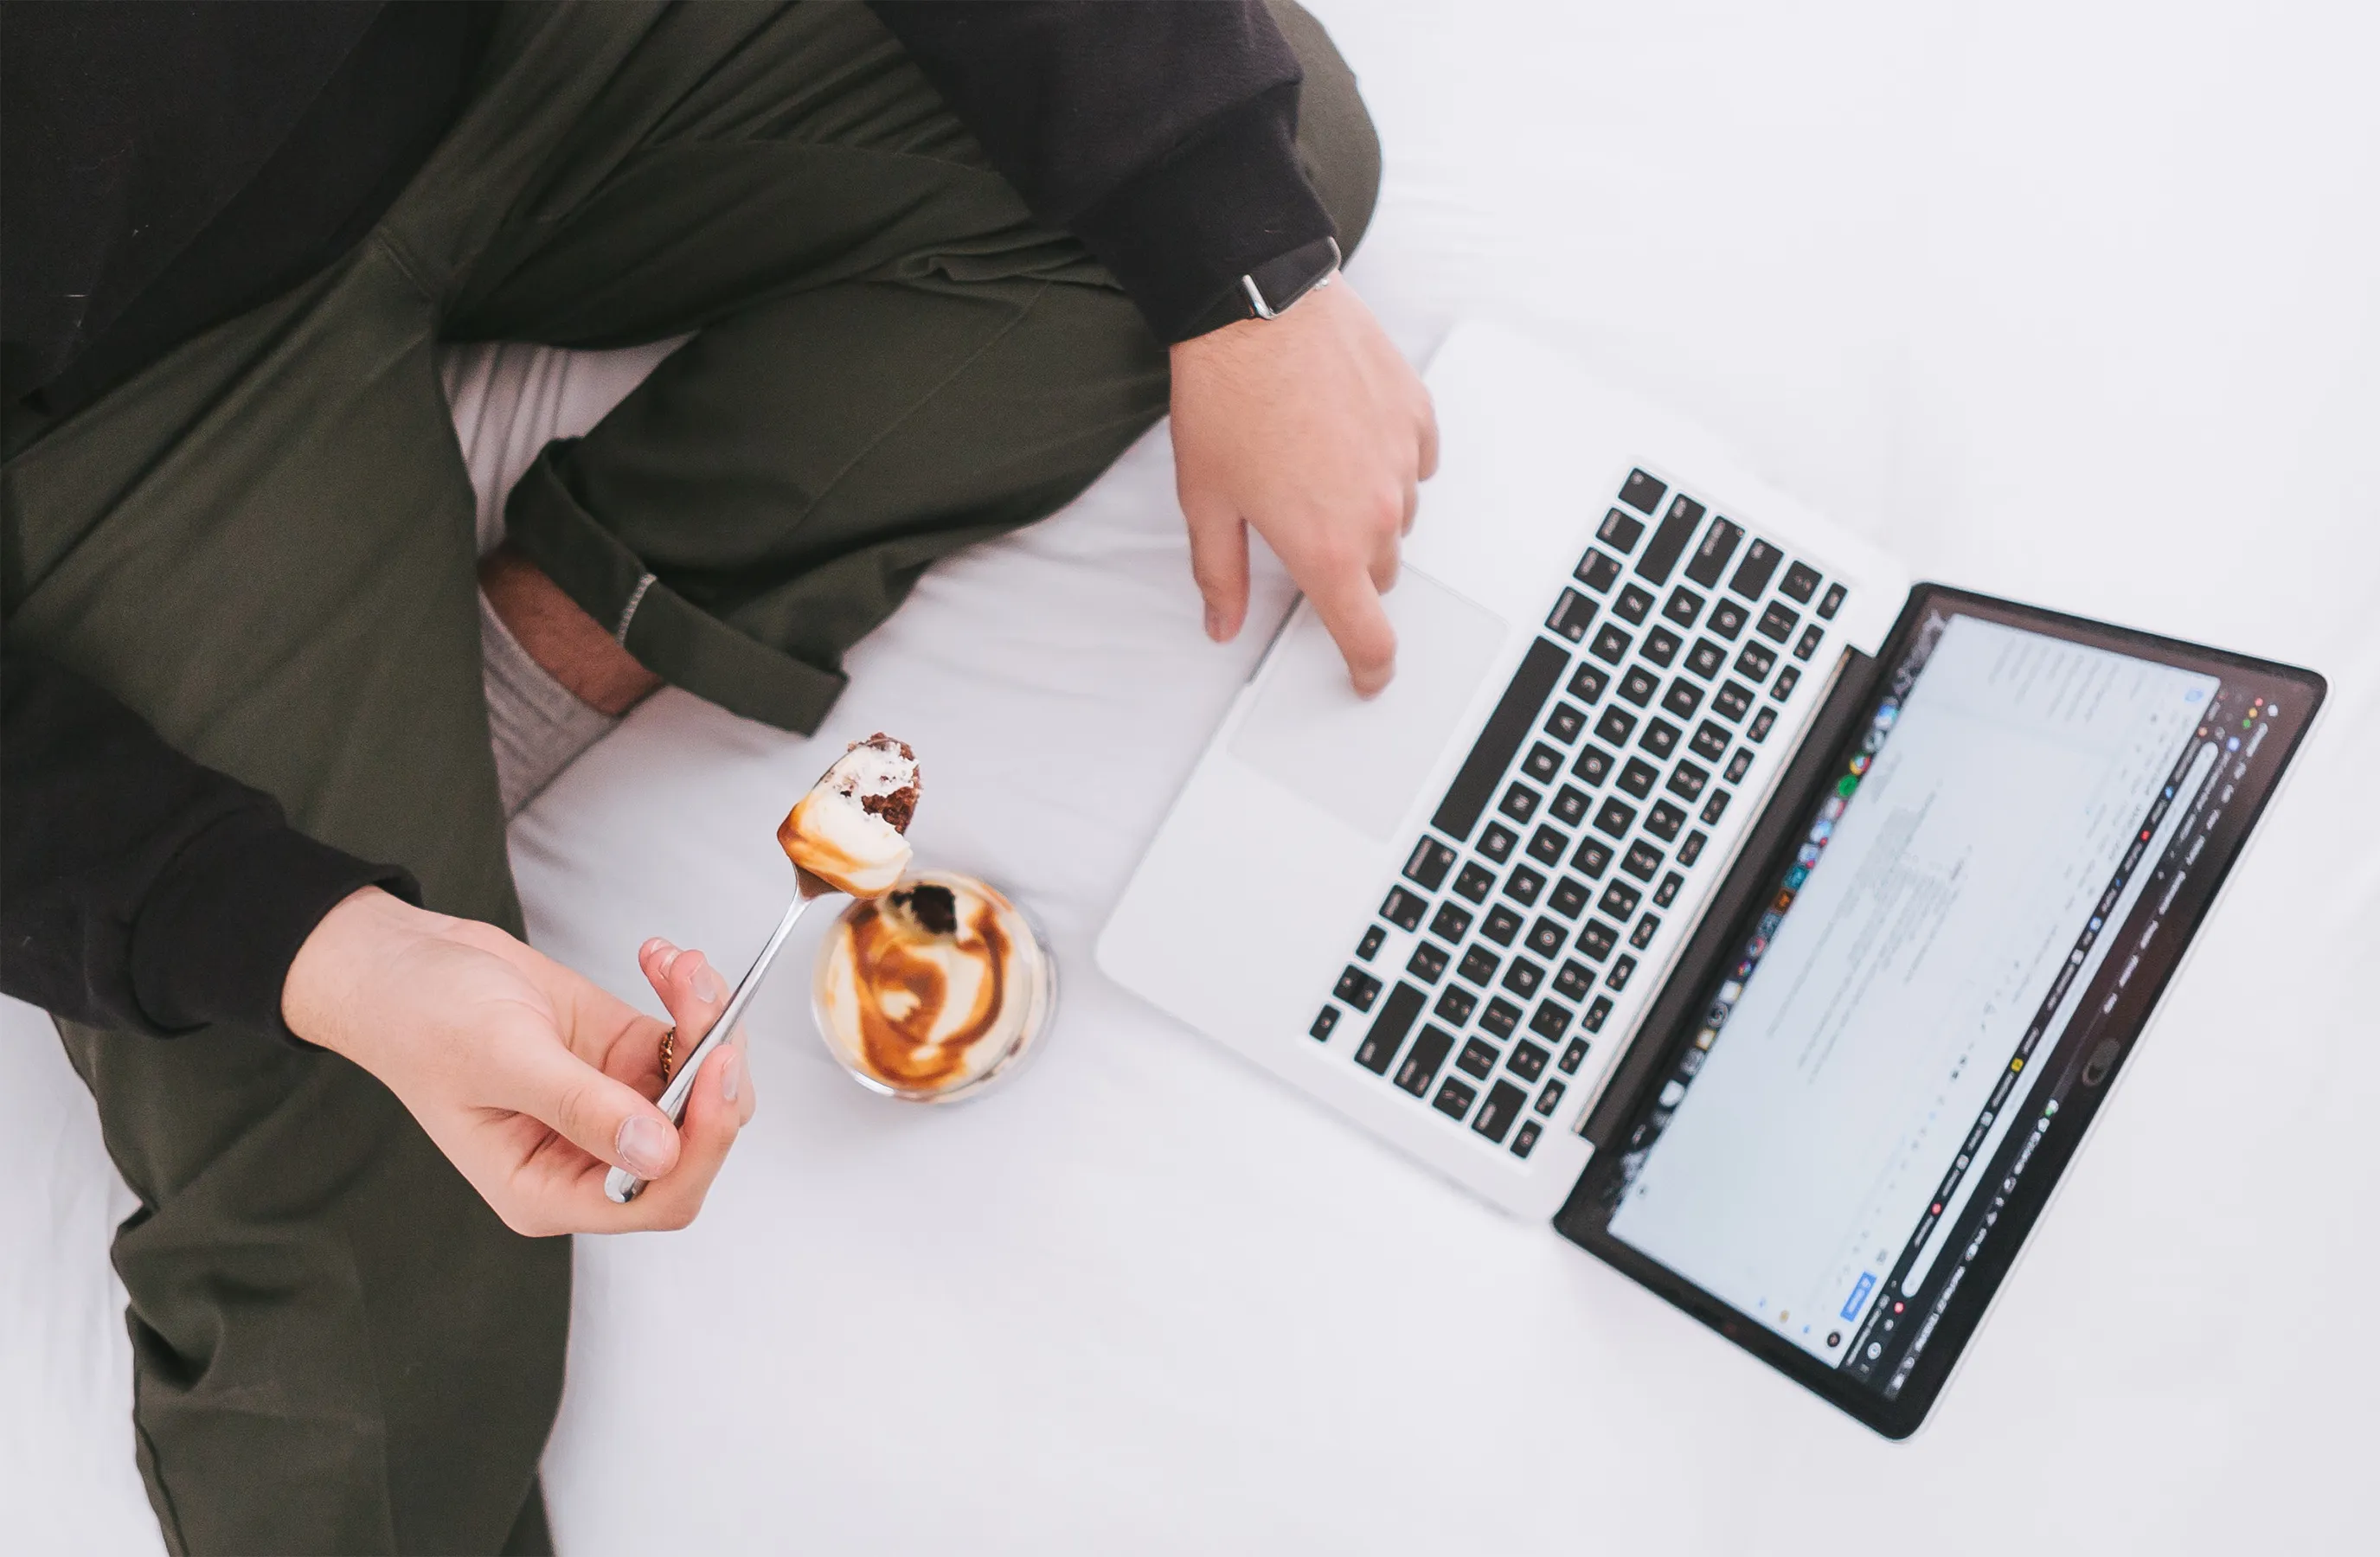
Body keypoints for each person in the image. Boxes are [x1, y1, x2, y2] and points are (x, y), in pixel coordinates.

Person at [0, 2, 1433, 1551]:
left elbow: (1212, 198)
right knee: (389, 1332)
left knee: (1247, 175)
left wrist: (1242, 269)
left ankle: (533, 659)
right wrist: (315, 940)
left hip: (497, 49)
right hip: (117, 408)